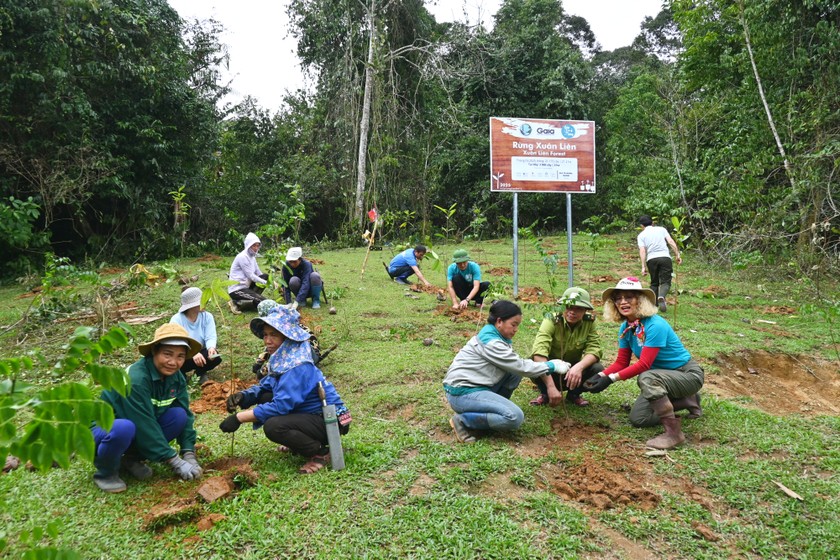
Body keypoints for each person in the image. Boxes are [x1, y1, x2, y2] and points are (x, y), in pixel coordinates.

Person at [220, 306, 350, 474]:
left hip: (331, 420)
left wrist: (238, 418)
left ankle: (320, 452)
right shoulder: (283, 357)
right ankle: (301, 440)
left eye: (274, 335)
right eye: (266, 334)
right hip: (313, 416)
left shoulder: (298, 364)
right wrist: (245, 396)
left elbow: (281, 406)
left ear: (287, 337)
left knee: (274, 426)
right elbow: (268, 385)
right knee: (267, 396)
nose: (267, 340)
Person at [584, 277, 704, 450]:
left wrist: (610, 380)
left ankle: (674, 434)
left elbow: (645, 364)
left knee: (646, 376)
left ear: (640, 300)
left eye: (629, 297)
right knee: (639, 419)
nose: (622, 302)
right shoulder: (627, 327)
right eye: (618, 298)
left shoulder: (655, 325)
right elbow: (621, 362)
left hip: (687, 375)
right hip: (662, 377)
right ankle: (688, 401)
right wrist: (600, 376)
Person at [90, 324, 204, 493]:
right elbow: (143, 423)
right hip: (102, 431)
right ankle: (106, 473)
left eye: (180, 356)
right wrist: (174, 461)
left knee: (178, 416)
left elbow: (185, 414)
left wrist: (188, 453)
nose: (173, 362)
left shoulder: (176, 377)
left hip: (136, 428)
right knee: (123, 428)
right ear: (154, 352)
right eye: (167, 354)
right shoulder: (135, 379)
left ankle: (131, 459)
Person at [442, 300, 570, 443]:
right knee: (514, 417)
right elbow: (521, 366)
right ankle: (463, 421)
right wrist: (552, 366)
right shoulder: (492, 343)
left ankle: (490, 412)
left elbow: (516, 367)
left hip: (475, 386)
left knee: (513, 374)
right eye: (513, 325)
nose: (516, 329)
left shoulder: (495, 335)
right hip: (463, 393)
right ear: (499, 322)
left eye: (517, 325)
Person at [529, 287, 604, 407]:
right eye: (568, 307)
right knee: (533, 363)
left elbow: (594, 349)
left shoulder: (589, 322)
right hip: (551, 369)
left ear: (585, 310)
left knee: (597, 368)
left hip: (573, 371)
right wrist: (550, 386)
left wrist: (579, 367)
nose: (572, 312)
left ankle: (574, 395)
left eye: (578, 308)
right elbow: (539, 352)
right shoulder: (552, 319)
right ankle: (546, 394)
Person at [169, 286, 221, 385]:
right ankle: (180, 374)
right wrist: (192, 353)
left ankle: (200, 373)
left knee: (215, 356)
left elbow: (210, 336)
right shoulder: (177, 320)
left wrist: (211, 348)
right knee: (175, 359)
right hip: (183, 353)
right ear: (192, 305)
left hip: (200, 351)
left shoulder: (207, 316)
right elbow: (176, 341)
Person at [637, 215, 682, 312]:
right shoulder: (661, 229)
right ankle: (661, 296)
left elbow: (642, 250)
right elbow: (670, 241)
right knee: (666, 281)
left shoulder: (641, 235)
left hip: (651, 259)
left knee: (654, 283)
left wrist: (643, 266)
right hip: (665, 257)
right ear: (652, 222)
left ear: (642, 226)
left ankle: (654, 304)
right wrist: (677, 254)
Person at [228, 232, 269, 314]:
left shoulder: (252, 257)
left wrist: (270, 281)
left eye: (258, 245)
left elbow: (258, 272)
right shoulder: (242, 257)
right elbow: (251, 276)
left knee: (264, 276)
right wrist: (267, 283)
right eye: (254, 245)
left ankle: (249, 299)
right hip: (237, 289)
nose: (256, 248)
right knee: (263, 302)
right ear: (248, 245)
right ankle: (236, 302)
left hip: (246, 286)